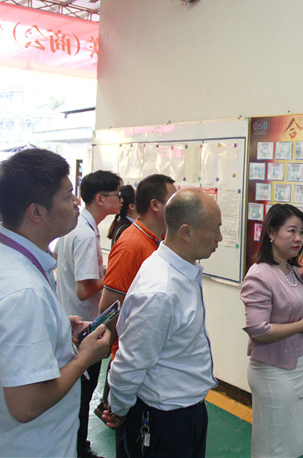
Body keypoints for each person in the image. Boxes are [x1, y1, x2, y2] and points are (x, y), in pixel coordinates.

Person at [0, 148, 111, 457]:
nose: (77, 202)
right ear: (36, 212)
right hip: (30, 447)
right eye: (67, 195)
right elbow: (26, 405)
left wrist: (55, 329)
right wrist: (84, 358)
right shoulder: (21, 291)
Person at [103, 189, 222, 457]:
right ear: (186, 232)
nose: (219, 238)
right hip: (164, 419)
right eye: (215, 229)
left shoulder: (181, 271)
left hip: (187, 411)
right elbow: (130, 362)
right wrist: (119, 409)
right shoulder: (161, 290)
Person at [94, 174, 175, 447]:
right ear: (155, 205)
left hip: (146, 364)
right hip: (131, 360)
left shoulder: (156, 241)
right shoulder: (132, 244)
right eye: (172, 200)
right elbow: (109, 308)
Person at [240, 204, 303, 457]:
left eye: (302, 232)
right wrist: (301, 325)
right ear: (272, 233)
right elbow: (258, 330)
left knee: (294, 442)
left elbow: (292, 309)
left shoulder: (291, 269)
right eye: (292, 231)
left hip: (297, 365)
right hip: (273, 371)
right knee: (274, 445)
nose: (299, 238)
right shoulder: (259, 275)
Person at [54, 169, 122, 458]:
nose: (121, 200)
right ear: (100, 198)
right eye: (117, 195)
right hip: (82, 328)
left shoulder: (78, 227)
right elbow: (84, 289)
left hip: (71, 321)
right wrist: (111, 278)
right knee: (82, 396)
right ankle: (79, 449)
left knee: (77, 396)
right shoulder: (84, 234)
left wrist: (100, 272)